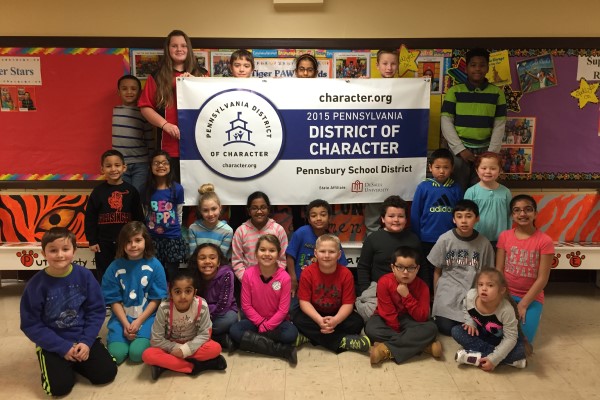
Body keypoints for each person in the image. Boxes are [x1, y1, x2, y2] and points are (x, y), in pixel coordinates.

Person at [20, 227, 117, 396]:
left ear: (74, 251)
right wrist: (62, 347)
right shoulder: (35, 285)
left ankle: (77, 360)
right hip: (53, 344)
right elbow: (31, 324)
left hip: (82, 338)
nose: (60, 255)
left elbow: (96, 311)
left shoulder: (85, 276)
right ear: (44, 253)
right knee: (60, 388)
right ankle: (61, 363)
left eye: (65, 249)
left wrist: (86, 341)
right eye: (53, 250)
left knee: (106, 373)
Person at [139, 30, 206, 182]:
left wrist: (196, 83)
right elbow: (145, 107)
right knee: (170, 193)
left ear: (188, 49)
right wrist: (165, 125)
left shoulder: (202, 74)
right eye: (174, 46)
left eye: (183, 45)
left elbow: (211, 105)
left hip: (198, 146)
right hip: (168, 147)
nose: (179, 49)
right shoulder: (156, 76)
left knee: (198, 196)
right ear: (168, 49)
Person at [101, 221, 168, 364]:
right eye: (128, 241)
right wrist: (126, 324)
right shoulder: (114, 267)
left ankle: (145, 338)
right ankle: (118, 337)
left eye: (138, 240)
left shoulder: (155, 265)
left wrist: (138, 322)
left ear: (146, 241)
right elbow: (113, 300)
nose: (133, 245)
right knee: (116, 355)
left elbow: (156, 299)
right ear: (121, 244)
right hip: (121, 318)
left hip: (147, 317)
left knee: (137, 354)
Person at [441, 48, 507, 191]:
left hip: (485, 151)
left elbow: (499, 124)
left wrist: (490, 154)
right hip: (459, 151)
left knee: (481, 191)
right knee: (457, 190)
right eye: (473, 65)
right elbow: (446, 122)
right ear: (467, 68)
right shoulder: (455, 92)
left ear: (488, 68)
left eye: (482, 65)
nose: (477, 69)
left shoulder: (497, 93)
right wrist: (460, 149)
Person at [142, 270, 227, 380]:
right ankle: (196, 366)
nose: (183, 296)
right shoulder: (164, 308)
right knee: (147, 355)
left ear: (194, 292)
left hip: (194, 344)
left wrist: (186, 350)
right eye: (177, 292)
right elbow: (156, 339)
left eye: (188, 291)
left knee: (215, 348)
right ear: (170, 293)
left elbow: (205, 334)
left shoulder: (202, 305)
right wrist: (177, 349)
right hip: (170, 346)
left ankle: (167, 366)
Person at [292, 234, 370, 354]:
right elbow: (304, 302)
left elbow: (348, 304)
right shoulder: (307, 273)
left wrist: (335, 320)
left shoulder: (346, 274)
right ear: (316, 253)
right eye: (322, 251)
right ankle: (342, 341)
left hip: (336, 313)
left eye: (331, 252)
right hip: (315, 313)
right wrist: (319, 320)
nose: (327, 255)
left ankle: (310, 337)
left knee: (357, 323)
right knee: (297, 318)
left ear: (339, 255)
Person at [429, 200, 495, 335]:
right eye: (459, 216)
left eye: (468, 216)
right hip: (448, 292)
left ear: (477, 218)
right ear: (454, 219)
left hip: (472, 293)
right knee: (445, 327)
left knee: (485, 325)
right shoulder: (445, 240)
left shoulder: (484, 243)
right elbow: (437, 270)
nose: (464, 221)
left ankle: (466, 328)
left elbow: (488, 274)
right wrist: (437, 296)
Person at [366, 246, 442, 364]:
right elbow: (387, 312)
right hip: (387, 320)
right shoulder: (384, 282)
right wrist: (402, 333)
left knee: (431, 328)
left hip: (411, 320)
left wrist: (407, 296)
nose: (405, 272)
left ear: (417, 269)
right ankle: (423, 346)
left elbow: (422, 317)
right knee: (371, 328)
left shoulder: (423, 287)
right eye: (400, 267)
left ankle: (384, 349)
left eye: (411, 268)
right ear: (393, 267)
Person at [229, 235, 298, 364]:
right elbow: (246, 305)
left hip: (276, 323)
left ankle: (247, 343)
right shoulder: (248, 274)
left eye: (272, 250)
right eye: (263, 250)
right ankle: (282, 350)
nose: (267, 254)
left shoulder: (285, 277)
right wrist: (261, 323)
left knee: (291, 334)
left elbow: (283, 311)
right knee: (234, 330)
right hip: (255, 321)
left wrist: (267, 325)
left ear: (278, 254)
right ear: (256, 253)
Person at [496, 194, 554, 344]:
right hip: (506, 294)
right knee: (495, 335)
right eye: (517, 210)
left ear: (535, 213)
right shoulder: (505, 236)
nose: (522, 214)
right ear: (512, 215)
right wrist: (500, 296)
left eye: (528, 209)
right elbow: (498, 269)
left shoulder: (545, 241)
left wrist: (523, 304)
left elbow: (543, 279)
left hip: (531, 298)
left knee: (523, 342)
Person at [356, 195, 421, 321]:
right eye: (391, 216)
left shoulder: (413, 240)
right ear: (383, 219)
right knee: (371, 314)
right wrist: (366, 289)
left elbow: (421, 268)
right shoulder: (373, 239)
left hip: (408, 288)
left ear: (406, 219)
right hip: (378, 290)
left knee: (421, 317)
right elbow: (363, 267)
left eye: (400, 216)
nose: (396, 220)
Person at [84, 149, 145, 283]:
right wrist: (92, 240)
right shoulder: (98, 192)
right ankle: (106, 300)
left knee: (127, 271)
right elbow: (90, 217)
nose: (113, 169)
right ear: (102, 169)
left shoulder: (131, 191)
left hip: (126, 242)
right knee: (105, 272)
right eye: (108, 166)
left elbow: (138, 218)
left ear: (124, 168)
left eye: (117, 165)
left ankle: (127, 297)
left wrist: (140, 238)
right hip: (103, 243)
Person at [452, 269, 529, 371]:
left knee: (522, 350)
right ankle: (509, 361)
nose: (484, 289)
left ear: (501, 290)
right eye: (480, 284)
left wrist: (494, 359)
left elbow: (510, 338)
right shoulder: (471, 295)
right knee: (456, 331)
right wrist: (470, 322)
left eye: (490, 285)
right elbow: (466, 308)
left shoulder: (506, 310)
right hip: (482, 335)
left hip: (501, 341)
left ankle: (477, 357)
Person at [410, 148, 463, 295]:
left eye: (446, 167)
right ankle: (428, 297)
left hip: (449, 239)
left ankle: (444, 297)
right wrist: (417, 236)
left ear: (452, 168)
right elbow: (415, 213)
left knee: (447, 269)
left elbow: (460, 214)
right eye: (437, 167)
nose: (441, 171)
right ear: (430, 168)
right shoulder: (423, 187)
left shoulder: (456, 188)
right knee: (427, 269)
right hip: (427, 238)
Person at [286, 199, 348, 317]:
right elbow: (290, 256)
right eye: (314, 215)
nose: (318, 218)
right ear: (309, 219)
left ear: (329, 218)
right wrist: (293, 279)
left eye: (323, 215)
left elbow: (341, 265)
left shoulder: (332, 239)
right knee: (292, 310)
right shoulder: (301, 233)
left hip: (323, 286)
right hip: (300, 283)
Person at [363, 49, 400, 237]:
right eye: (385, 63)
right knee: (373, 198)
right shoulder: (369, 87)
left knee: (394, 203)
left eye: (393, 64)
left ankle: (392, 243)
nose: (389, 67)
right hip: (371, 154)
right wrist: (357, 87)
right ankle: (372, 241)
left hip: (394, 156)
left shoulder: (406, 89)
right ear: (377, 65)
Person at [143, 150, 187, 282]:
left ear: (170, 166)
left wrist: (175, 229)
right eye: (156, 163)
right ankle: (159, 297)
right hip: (153, 238)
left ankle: (173, 297)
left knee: (173, 271)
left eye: (164, 163)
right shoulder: (145, 189)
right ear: (150, 167)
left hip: (172, 237)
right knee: (156, 270)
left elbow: (179, 212)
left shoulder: (177, 189)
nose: (160, 166)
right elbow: (145, 213)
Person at [188, 243, 238, 349]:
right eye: (202, 258)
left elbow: (224, 304)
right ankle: (218, 338)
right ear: (196, 262)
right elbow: (190, 303)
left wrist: (207, 317)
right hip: (199, 315)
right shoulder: (191, 276)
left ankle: (198, 336)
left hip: (220, 313)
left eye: (212, 258)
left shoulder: (227, 274)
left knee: (230, 319)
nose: (207, 261)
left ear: (218, 262)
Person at [231, 191, 288, 281]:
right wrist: (247, 280)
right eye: (254, 208)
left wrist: (274, 279)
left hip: (273, 281)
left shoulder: (278, 230)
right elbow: (237, 261)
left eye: (263, 207)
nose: (259, 211)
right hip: (248, 283)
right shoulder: (241, 231)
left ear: (268, 209)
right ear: (249, 211)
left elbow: (282, 260)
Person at [112, 74, 154, 194]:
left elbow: (149, 139)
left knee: (138, 196)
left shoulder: (145, 112)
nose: (129, 92)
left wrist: (151, 161)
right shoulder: (115, 112)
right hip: (120, 163)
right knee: (123, 196)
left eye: (133, 89)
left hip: (141, 164)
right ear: (119, 92)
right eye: (124, 89)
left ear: (139, 92)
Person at [464, 152, 512, 246]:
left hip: (500, 240)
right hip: (476, 239)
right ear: (477, 170)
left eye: (493, 168)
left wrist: (508, 236)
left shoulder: (506, 192)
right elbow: (466, 216)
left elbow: (509, 216)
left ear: (500, 171)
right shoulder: (471, 192)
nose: (488, 171)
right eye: (483, 168)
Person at [187, 183, 233, 260]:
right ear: (200, 211)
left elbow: (222, 258)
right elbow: (193, 256)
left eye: (214, 209)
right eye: (205, 210)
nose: (210, 214)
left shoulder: (227, 231)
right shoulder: (193, 229)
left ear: (220, 208)